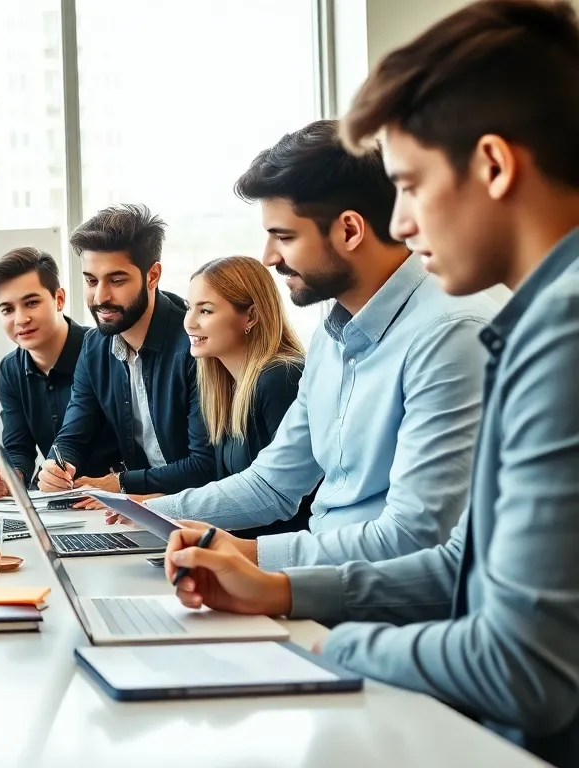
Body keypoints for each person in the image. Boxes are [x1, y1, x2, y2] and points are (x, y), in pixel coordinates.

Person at [164, 1, 579, 761]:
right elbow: (460, 564)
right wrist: (282, 592)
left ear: (493, 166)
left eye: (411, 186)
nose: (405, 222)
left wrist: (322, 647)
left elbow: (523, 668)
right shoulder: (537, 320)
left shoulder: (550, 331)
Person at [132, 119, 497, 570]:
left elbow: (414, 537)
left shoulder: (450, 334)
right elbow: (272, 485)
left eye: (284, 237)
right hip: (324, 579)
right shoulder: (332, 336)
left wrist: (249, 558)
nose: (269, 257)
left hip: (382, 596)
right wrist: (147, 515)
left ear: (349, 230)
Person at [37, 204, 214, 497]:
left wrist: (120, 483)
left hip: (197, 509)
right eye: (91, 281)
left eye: (116, 280)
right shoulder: (94, 347)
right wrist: (56, 466)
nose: (100, 297)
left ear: (152, 276)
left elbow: (205, 466)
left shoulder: (194, 343)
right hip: (140, 508)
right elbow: (73, 435)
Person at [0, 247, 121, 499]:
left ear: (59, 299)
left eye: (31, 303)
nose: (20, 319)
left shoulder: (105, 350)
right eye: (7, 309)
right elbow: (18, 449)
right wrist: (9, 479)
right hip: (53, 501)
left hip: (116, 498)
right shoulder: (10, 369)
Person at [183, 256, 310, 538]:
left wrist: (162, 509)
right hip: (244, 549)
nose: (189, 323)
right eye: (188, 308)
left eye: (205, 311)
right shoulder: (226, 386)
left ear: (251, 317)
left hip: (283, 555)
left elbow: (287, 499)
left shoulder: (282, 377)